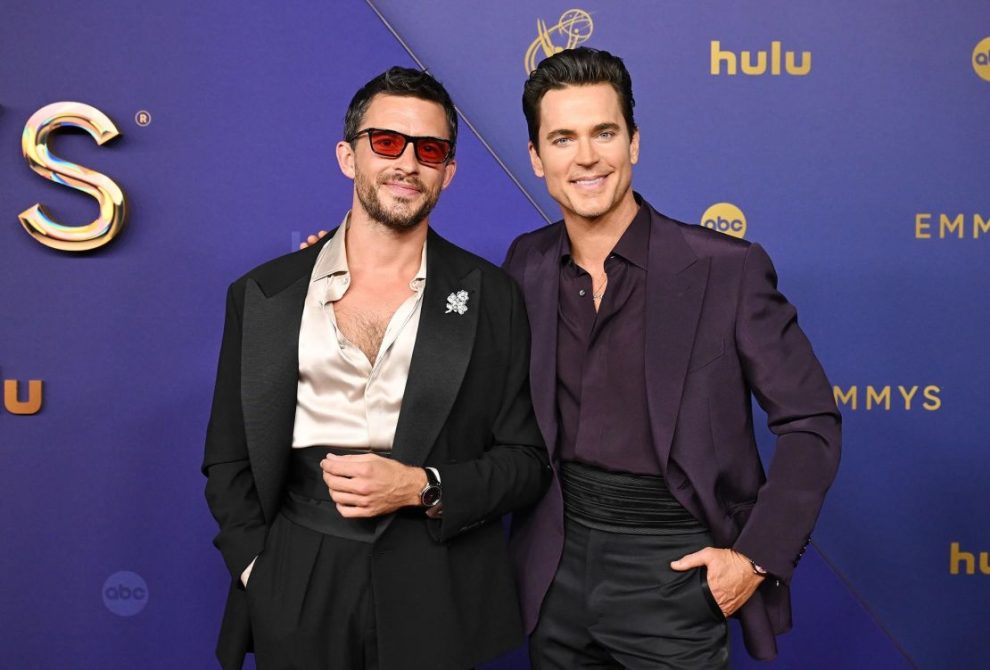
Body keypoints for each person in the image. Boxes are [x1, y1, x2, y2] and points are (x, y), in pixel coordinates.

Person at [502, 47, 841, 668]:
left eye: (604, 132)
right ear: (536, 158)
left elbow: (811, 421)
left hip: (675, 568)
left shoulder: (726, 269)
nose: (585, 157)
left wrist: (755, 557)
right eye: (562, 138)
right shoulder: (525, 262)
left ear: (634, 142)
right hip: (554, 564)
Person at [202, 66, 549, 670]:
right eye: (387, 142)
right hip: (299, 573)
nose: (407, 164)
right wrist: (261, 568)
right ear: (348, 155)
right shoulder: (263, 294)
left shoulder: (492, 296)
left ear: (449, 172)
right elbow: (228, 454)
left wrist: (422, 485)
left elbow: (524, 463)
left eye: (430, 150)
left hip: (438, 576)